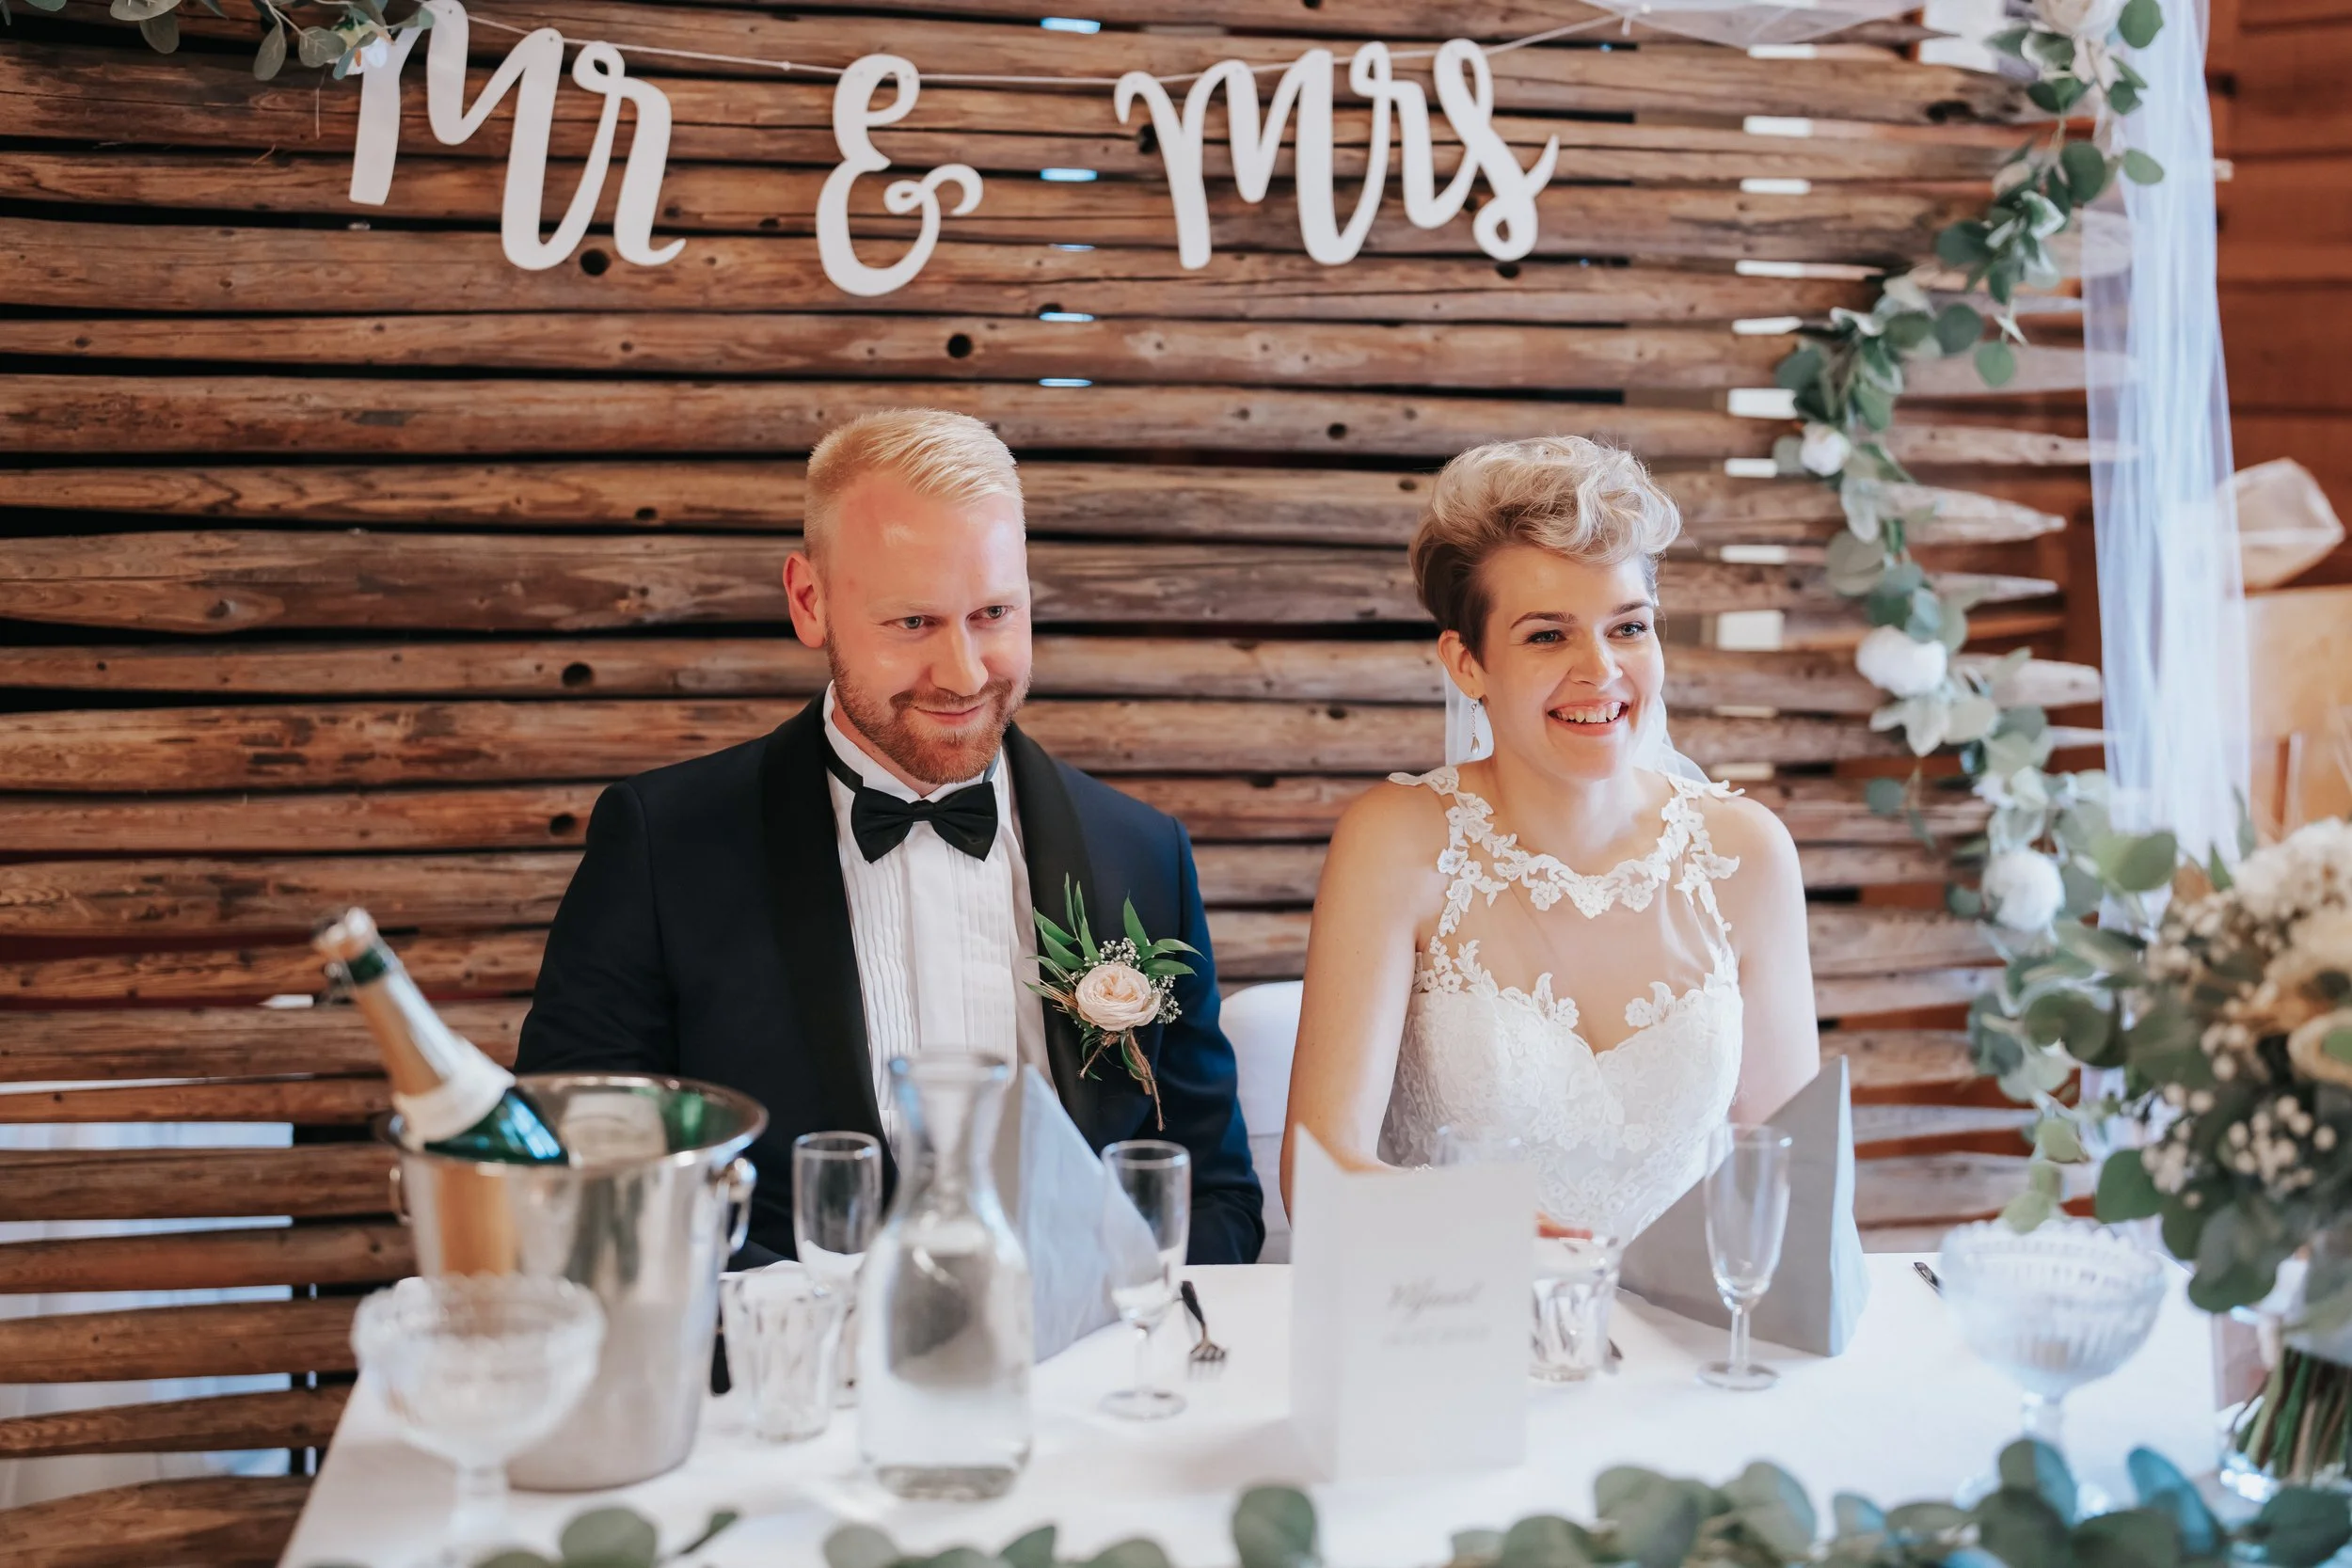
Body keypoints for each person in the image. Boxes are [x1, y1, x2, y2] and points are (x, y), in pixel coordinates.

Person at [518, 408, 1263, 1265]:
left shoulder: (1145, 853)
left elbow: (1214, 1196)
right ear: (810, 601)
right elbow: (576, 1172)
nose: (964, 673)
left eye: (992, 613)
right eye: (913, 623)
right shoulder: (662, 848)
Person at [1281, 436, 1820, 1240]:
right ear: (1467, 665)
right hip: (1462, 1318)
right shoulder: (1395, 844)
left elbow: (1795, 1177)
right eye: (1547, 635)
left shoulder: (1748, 854)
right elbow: (1321, 1177)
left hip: (1683, 1339)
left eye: (1628, 627)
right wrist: (1482, 1234)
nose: (1600, 669)